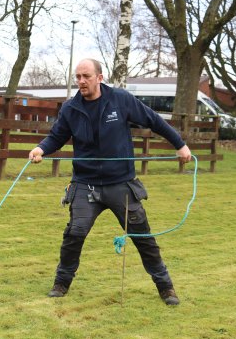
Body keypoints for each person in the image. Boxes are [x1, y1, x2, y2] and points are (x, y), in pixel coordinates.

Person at [28, 58, 193, 305]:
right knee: (75, 233)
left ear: (100, 77)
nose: (81, 82)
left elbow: (154, 120)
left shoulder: (120, 100)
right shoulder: (71, 109)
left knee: (143, 238)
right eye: (78, 77)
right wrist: (41, 149)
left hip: (121, 184)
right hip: (86, 184)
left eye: (86, 76)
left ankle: (166, 287)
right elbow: (56, 136)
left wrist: (180, 145)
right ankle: (61, 284)